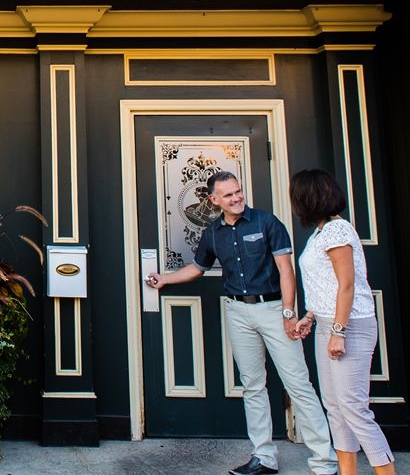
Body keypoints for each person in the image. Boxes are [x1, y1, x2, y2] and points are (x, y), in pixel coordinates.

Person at [147, 171, 337, 475]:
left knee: (298, 384)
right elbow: (197, 268)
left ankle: (325, 462)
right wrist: (164, 279)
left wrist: (288, 313)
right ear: (214, 200)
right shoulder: (213, 233)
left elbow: (286, 271)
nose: (236, 198)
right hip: (237, 312)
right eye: (229, 195)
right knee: (252, 386)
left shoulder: (267, 222)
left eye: (238, 192)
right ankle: (264, 458)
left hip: (274, 309)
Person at [289, 169, 396, 475]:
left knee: (353, 408)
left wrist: (338, 331)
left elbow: (346, 284)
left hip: (350, 326)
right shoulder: (321, 232)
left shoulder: (337, 231)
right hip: (327, 324)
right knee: (335, 407)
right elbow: (326, 284)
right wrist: (311, 316)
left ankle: (386, 471)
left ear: (306, 199)